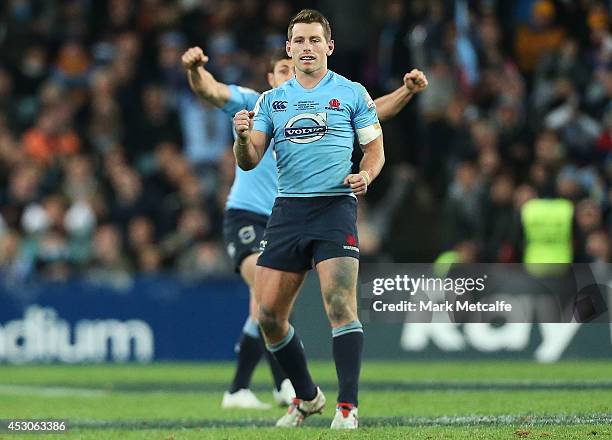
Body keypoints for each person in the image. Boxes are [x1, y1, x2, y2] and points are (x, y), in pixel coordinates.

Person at [183, 26, 427, 414]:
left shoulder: (338, 95)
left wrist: (407, 92)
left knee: (281, 307)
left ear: (327, 47)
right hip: (253, 215)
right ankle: (275, 386)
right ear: (273, 73)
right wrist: (196, 70)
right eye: (283, 65)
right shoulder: (257, 102)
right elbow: (210, 90)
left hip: (316, 211)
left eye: (312, 44)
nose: (292, 67)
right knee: (266, 304)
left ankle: (273, 389)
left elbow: (373, 114)